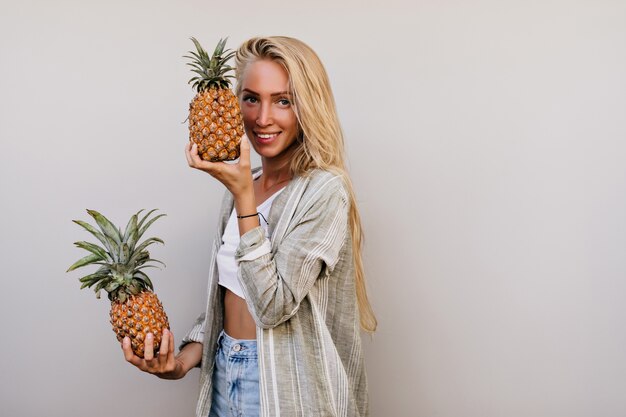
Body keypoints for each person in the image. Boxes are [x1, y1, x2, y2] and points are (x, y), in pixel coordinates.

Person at [121, 36, 377, 417]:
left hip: (285, 386)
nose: (262, 118)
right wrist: (183, 360)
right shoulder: (244, 184)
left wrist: (244, 198)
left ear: (308, 106)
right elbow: (229, 299)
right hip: (225, 371)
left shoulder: (324, 191)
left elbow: (272, 307)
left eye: (283, 100)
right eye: (251, 98)